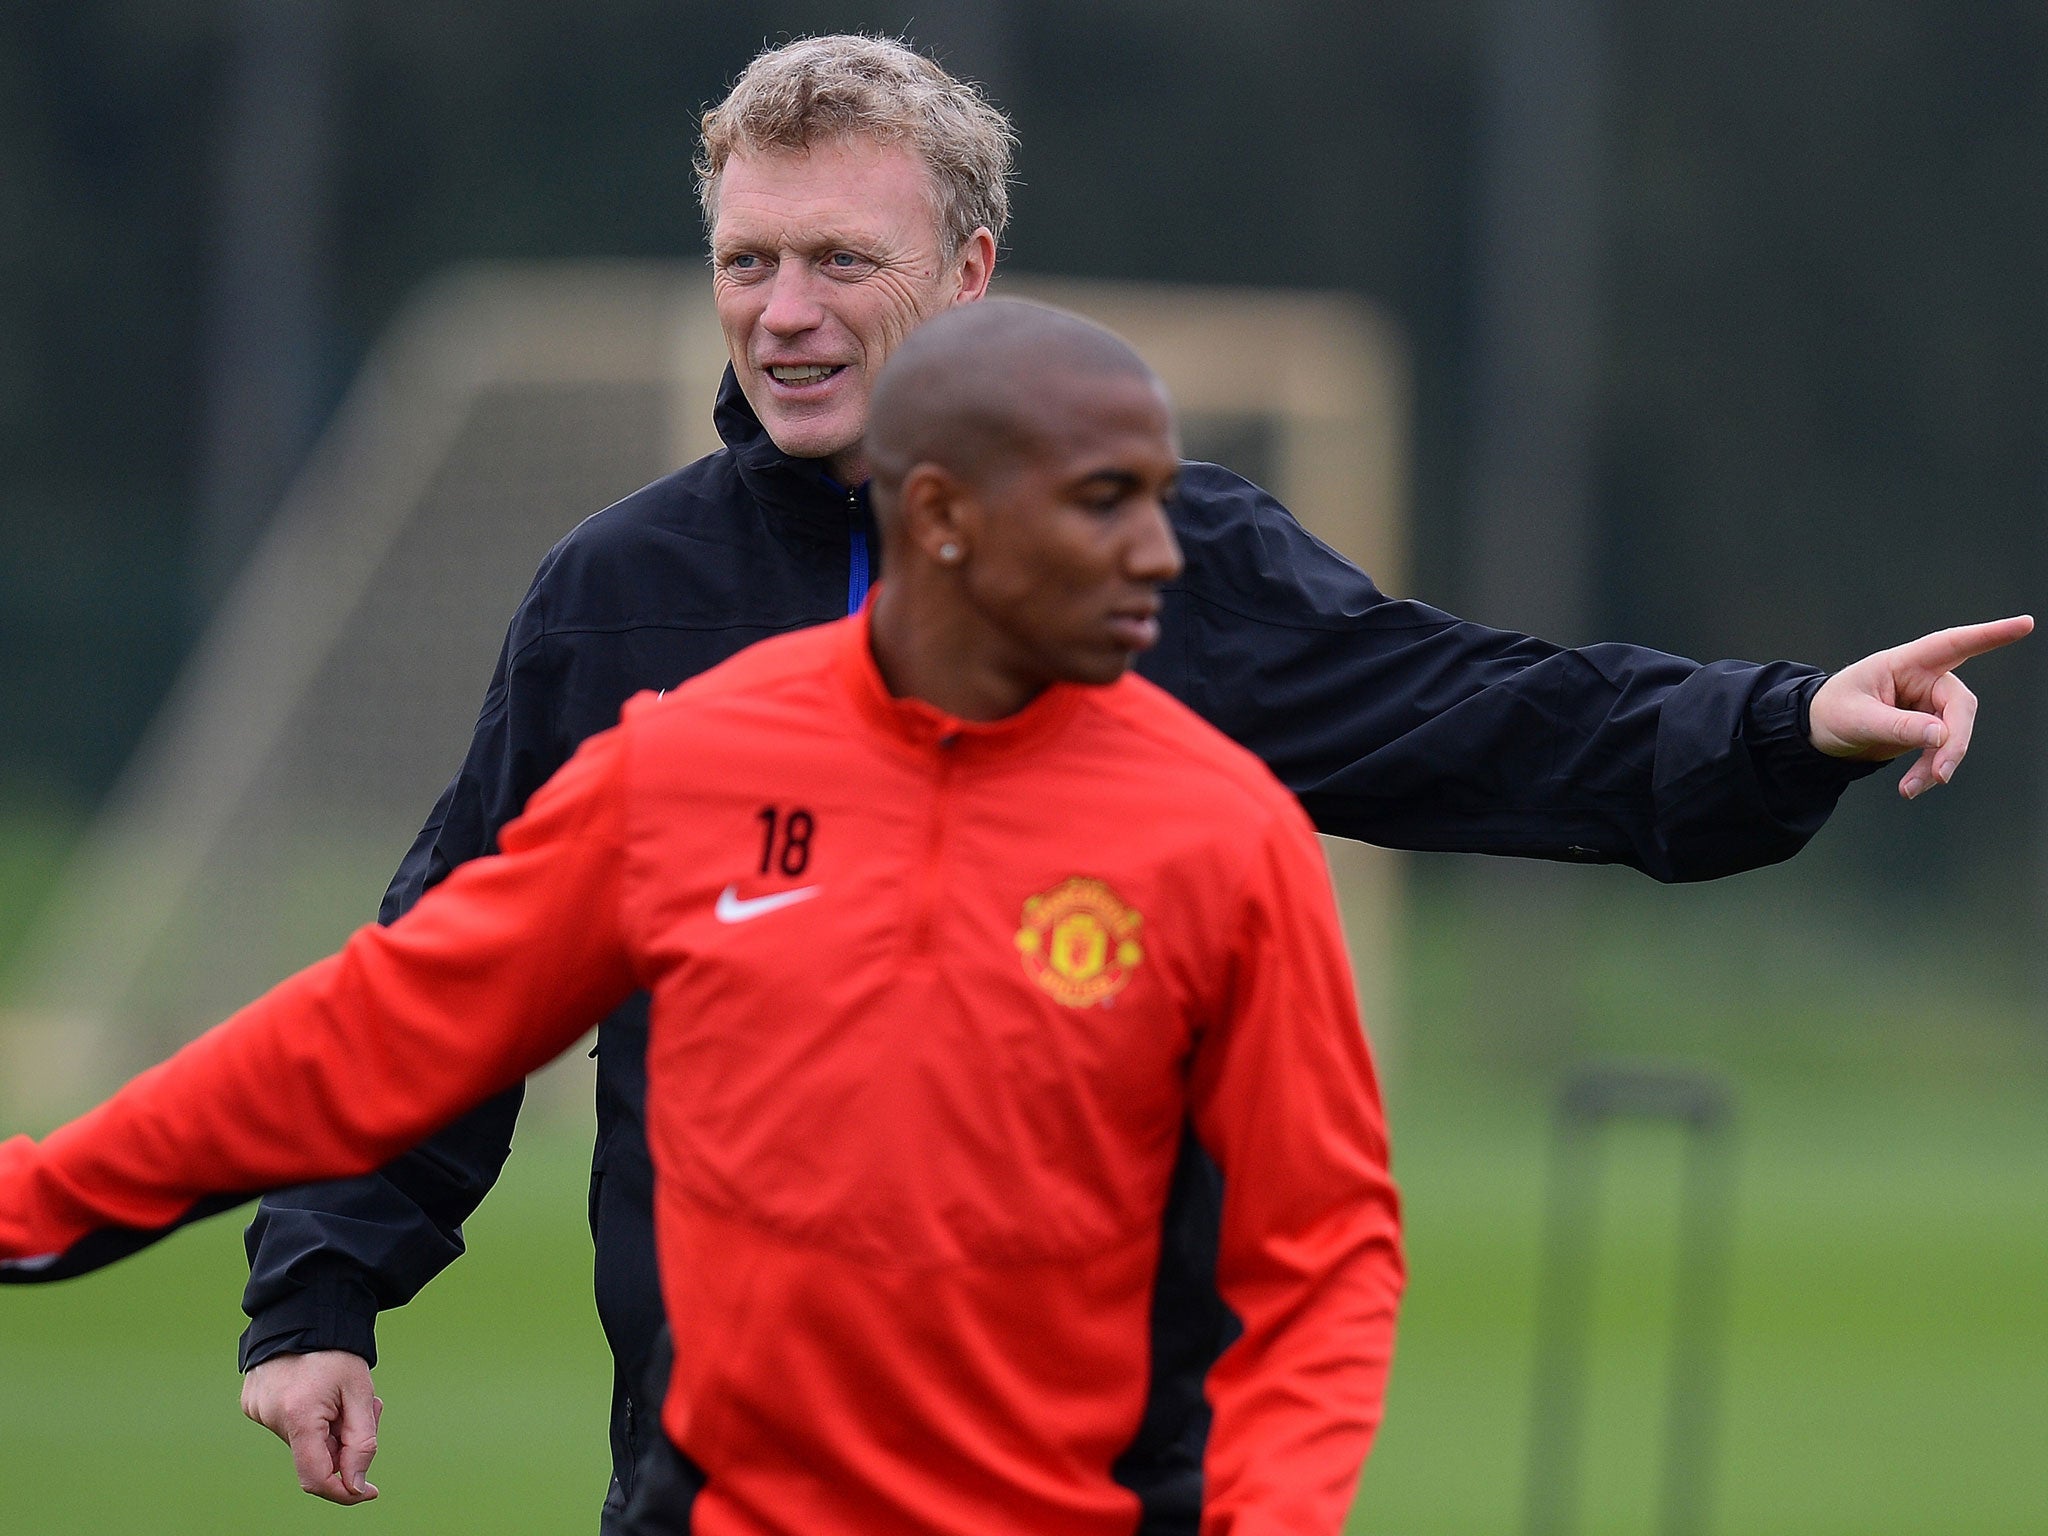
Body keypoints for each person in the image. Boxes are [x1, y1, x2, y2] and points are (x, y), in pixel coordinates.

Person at [211, 33, 2028, 1529]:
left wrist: (1784, 723)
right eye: (748, 260)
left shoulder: (1159, 561)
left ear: (972, 274)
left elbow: (1476, 712)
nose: (783, 312)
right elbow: (450, 962)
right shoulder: (622, 597)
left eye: (843, 260)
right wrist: (322, 1285)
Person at [1, 301, 1405, 1536]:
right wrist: (35, 1201)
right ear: (943, 515)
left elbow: (1322, 1255)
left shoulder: (1229, 834)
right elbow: (375, 1037)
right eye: (1108, 502)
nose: (1162, 553)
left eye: (1157, 499)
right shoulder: (685, 766)